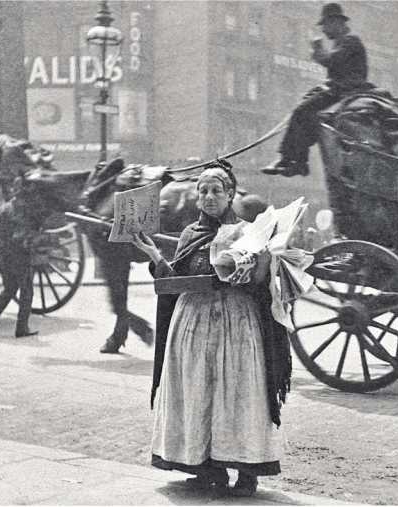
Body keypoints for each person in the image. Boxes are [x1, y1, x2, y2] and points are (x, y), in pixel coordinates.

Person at [132, 163, 291, 497]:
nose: (208, 197)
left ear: (231, 194)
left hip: (236, 323)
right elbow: (175, 279)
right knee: (197, 393)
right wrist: (153, 255)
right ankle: (206, 467)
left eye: (216, 190)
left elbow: (263, 284)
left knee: (238, 393)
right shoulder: (190, 234)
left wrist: (258, 266)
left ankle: (247, 472)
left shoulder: (250, 232)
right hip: (192, 324)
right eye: (202, 191)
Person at [262, 3, 369, 177]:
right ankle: (297, 161)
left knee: (301, 111)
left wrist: (317, 48)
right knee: (305, 111)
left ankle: (289, 159)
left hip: (347, 90)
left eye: (325, 25)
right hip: (340, 89)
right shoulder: (343, 42)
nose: (325, 31)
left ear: (336, 22)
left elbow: (332, 61)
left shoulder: (351, 41)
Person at [0, 185, 42, 338]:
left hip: (3, 255)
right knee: (27, 292)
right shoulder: (27, 211)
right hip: (20, 255)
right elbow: (35, 230)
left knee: (9, 289)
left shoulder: (0, 210)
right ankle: (21, 328)